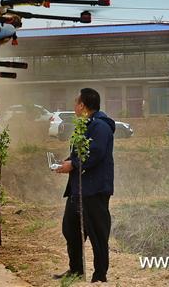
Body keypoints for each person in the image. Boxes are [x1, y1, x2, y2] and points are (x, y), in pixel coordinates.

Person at [53, 88, 115, 283]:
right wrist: (67, 161)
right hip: (78, 188)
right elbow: (81, 152)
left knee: (97, 234)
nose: (74, 106)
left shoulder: (100, 126)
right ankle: (76, 270)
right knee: (70, 229)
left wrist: (73, 164)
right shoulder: (85, 125)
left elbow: (94, 153)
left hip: (94, 190)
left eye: (76, 102)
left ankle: (99, 276)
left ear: (82, 105)